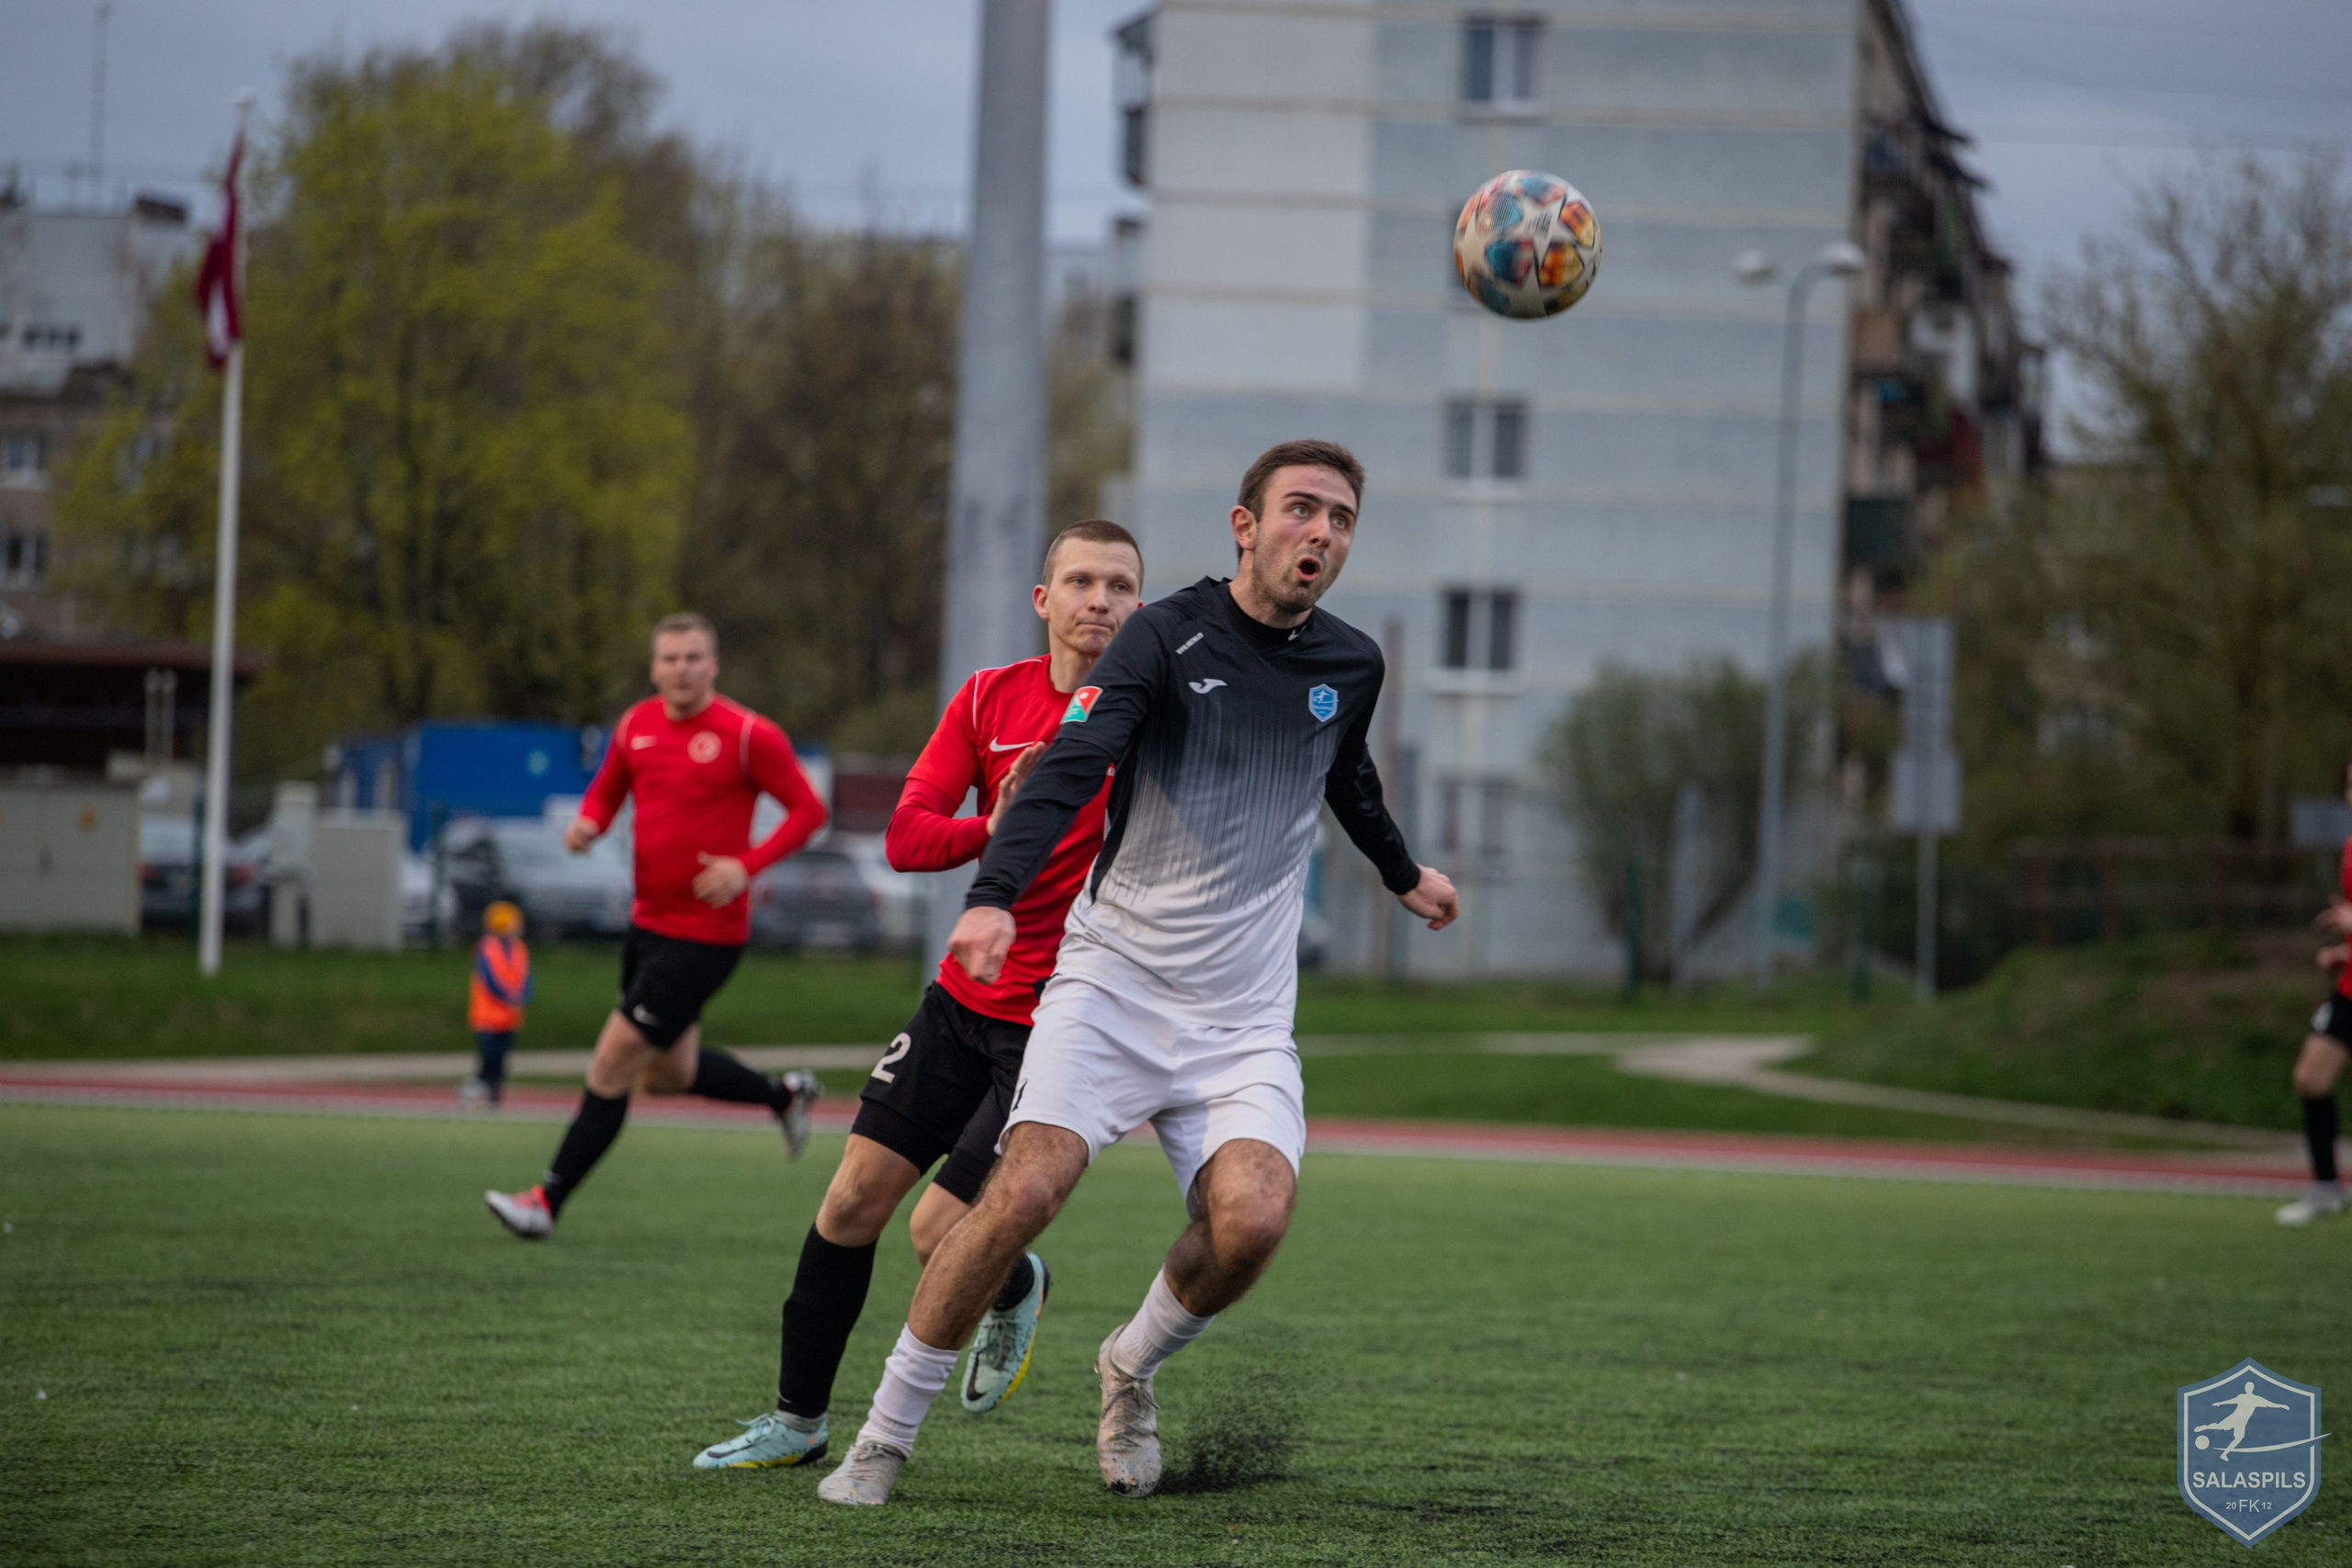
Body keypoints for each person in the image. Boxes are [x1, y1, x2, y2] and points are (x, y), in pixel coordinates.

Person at [818, 439, 1458, 1506]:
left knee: (1252, 1222)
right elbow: (1072, 766)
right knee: (1021, 1192)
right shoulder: (1162, 634)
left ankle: (1128, 1366)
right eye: (1301, 509)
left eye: (1341, 518)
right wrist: (992, 896)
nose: (1321, 532)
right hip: (1111, 987)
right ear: (1244, 525)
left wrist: (1403, 874)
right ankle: (881, 1442)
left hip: (1241, 1021)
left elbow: (1344, 775)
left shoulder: (1351, 664)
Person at [691, 521, 1146, 1472]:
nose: (1099, 601)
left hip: (1058, 1024)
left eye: (1119, 585)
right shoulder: (987, 697)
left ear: (1140, 606)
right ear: (1044, 599)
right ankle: (797, 1422)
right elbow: (905, 838)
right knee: (850, 1201)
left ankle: (1010, 1280)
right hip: (959, 1003)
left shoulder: (1153, 719)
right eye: (1080, 581)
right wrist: (994, 824)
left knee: (937, 1232)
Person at [485, 614, 829, 1239]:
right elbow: (606, 790)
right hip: (647, 927)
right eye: (670, 658)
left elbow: (809, 811)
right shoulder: (635, 725)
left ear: (713, 663)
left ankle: (544, 1201)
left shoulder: (748, 734)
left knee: (611, 1063)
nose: (681, 669)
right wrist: (587, 824)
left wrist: (745, 867)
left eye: (693, 657)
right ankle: (783, 1096)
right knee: (667, 1075)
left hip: (705, 937)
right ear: (653, 668)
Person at [2279, 759, 2352, 1225]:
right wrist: (2344, 952)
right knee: (2311, 1078)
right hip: (2350, 990)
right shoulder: (2350, 848)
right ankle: (2326, 1188)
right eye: (2350, 784)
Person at [460, 900, 531, 1107]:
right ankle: (476, 1091)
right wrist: (508, 996)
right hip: (488, 1016)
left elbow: (526, 977)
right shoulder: (487, 948)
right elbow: (489, 979)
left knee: (501, 1060)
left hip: (509, 1017)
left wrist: (524, 996)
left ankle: (494, 1095)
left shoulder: (519, 948)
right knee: (488, 1058)